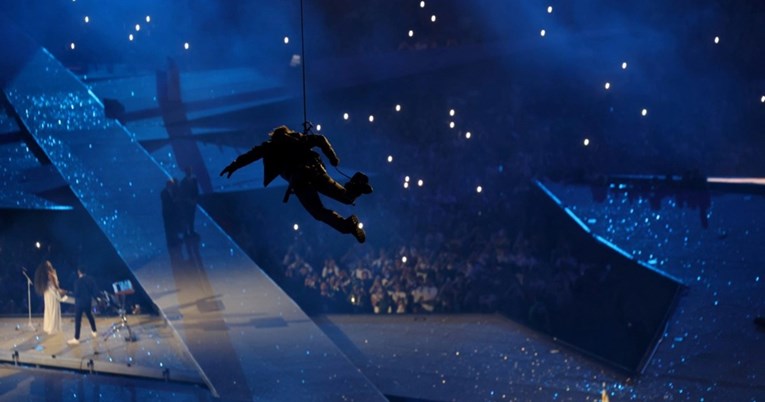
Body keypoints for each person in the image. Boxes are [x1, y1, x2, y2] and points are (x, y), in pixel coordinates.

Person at [220, 125, 372, 243]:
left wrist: (233, 166)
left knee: (319, 212)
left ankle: (348, 225)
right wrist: (333, 158)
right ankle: (357, 185)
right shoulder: (297, 138)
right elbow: (320, 139)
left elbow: (250, 156)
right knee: (346, 197)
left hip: (300, 180)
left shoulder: (270, 146)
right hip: (316, 172)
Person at [33, 260, 67, 335]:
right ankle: (53, 328)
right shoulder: (50, 273)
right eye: (49, 263)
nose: (50, 264)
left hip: (47, 293)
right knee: (53, 309)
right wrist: (60, 290)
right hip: (52, 293)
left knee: (49, 309)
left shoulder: (47, 274)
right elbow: (55, 285)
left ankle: (49, 327)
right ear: (47, 266)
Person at [67, 267, 99, 345]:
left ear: (79, 272)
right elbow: (95, 291)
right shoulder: (91, 279)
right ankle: (94, 331)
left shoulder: (77, 282)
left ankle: (76, 338)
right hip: (88, 301)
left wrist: (69, 294)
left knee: (78, 320)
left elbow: (76, 293)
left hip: (79, 303)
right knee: (89, 316)